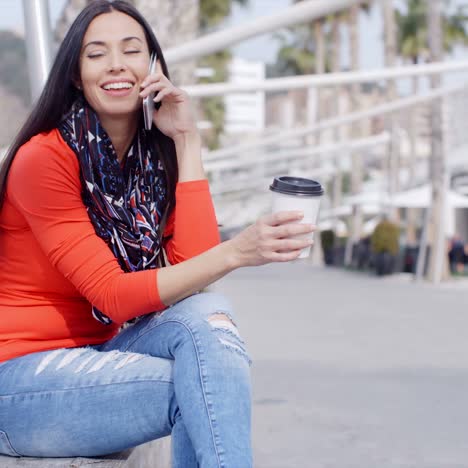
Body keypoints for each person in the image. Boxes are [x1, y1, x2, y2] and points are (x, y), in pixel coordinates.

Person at [0, 1, 314, 467]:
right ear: (75, 75)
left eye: (131, 50)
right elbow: (113, 296)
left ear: (152, 68)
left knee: (209, 313)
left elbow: (193, 273)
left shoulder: (148, 165)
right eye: (96, 54)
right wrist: (238, 252)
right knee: (203, 386)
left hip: (98, 351)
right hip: (22, 380)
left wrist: (186, 140)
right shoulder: (44, 159)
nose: (116, 65)